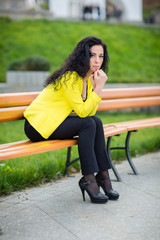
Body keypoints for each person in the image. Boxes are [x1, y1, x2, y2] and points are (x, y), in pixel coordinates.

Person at [24, 36, 119, 204]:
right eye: (92, 55)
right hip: (38, 126)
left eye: (101, 56)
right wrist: (100, 87)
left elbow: (90, 111)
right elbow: (83, 113)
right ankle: (89, 180)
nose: (97, 60)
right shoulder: (70, 78)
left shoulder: (87, 79)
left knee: (95, 121)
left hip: (54, 123)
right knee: (89, 123)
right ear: (83, 56)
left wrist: (95, 86)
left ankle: (103, 175)